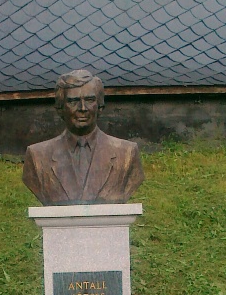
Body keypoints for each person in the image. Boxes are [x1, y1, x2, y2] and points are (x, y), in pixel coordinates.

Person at [22, 70, 144, 204]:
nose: (83, 108)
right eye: (73, 101)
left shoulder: (127, 154)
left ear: (100, 106)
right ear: (60, 108)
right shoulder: (37, 156)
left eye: (90, 100)